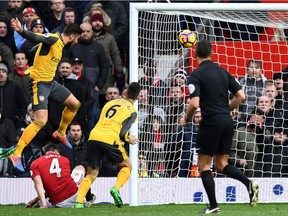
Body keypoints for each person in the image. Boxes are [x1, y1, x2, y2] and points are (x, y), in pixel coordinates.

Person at [180, 39, 259, 214]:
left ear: (195, 54)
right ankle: (249, 184)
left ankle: (213, 206)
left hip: (211, 122)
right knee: (222, 164)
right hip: (226, 121)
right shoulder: (223, 72)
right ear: (212, 53)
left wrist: (186, 119)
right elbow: (241, 95)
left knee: (204, 166)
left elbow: (194, 103)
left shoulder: (196, 75)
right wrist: (227, 109)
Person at [0, 17, 83, 172]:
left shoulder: (57, 45)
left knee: (74, 104)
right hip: (40, 84)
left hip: (51, 82)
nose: (77, 42)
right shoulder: (53, 38)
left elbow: (35, 49)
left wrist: (37, 54)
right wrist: (21, 31)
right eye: (77, 38)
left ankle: (60, 132)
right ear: (72, 36)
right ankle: (16, 154)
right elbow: (36, 37)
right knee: (41, 121)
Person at [74, 82, 140, 208]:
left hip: (94, 136)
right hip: (110, 138)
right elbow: (122, 133)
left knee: (91, 173)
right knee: (127, 166)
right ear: (137, 97)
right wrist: (128, 138)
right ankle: (116, 188)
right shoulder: (132, 112)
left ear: (124, 93)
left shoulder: (109, 103)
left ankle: (78, 202)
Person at [26, 143, 85, 208]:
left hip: (58, 202)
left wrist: (42, 204)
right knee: (80, 167)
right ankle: (84, 198)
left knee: (43, 201)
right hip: (74, 197)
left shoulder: (35, 163)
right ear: (56, 152)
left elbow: (38, 184)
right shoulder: (65, 159)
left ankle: (41, 203)